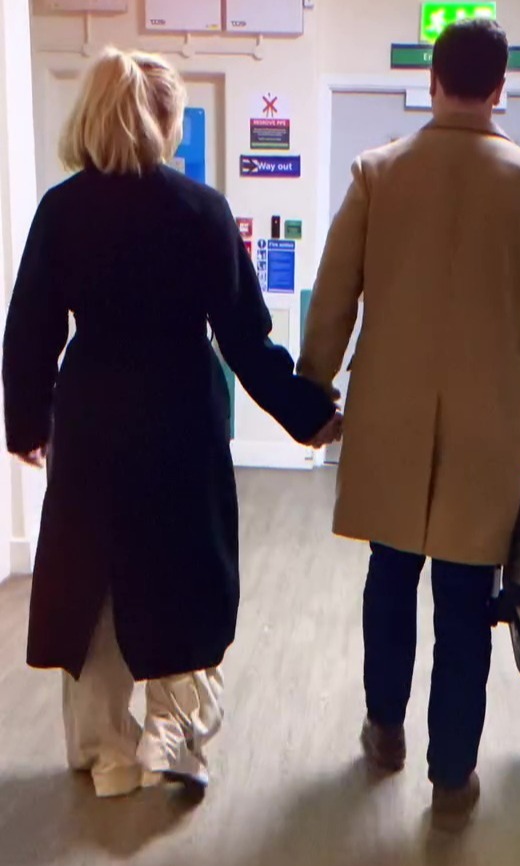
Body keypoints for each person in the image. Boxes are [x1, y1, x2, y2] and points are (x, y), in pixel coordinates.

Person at [298, 19, 520, 831]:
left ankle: (383, 732)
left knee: (390, 576)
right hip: (484, 432)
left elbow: (335, 297)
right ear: (502, 86)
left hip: (388, 421)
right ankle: (451, 776)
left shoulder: (378, 174)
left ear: (434, 80)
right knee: (467, 598)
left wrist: (311, 396)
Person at [2, 47, 340, 799]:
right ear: (164, 120)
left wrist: (27, 420)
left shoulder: (62, 209)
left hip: (90, 417)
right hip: (181, 414)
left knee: (95, 582)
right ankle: (174, 736)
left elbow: (28, 330)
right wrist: (308, 415)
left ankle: (108, 757)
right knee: (186, 573)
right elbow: (245, 338)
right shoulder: (200, 211)